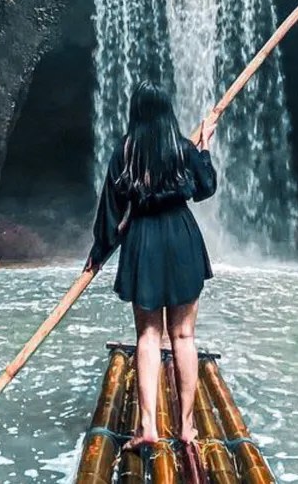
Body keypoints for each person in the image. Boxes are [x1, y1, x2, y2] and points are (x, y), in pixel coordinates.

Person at [83, 81, 218, 452]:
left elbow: (110, 208)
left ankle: (147, 428)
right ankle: (186, 428)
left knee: (147, 337)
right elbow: (206, 187)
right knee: (184, 336)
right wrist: (204, 148)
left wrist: (100, 248)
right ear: (167, 109)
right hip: (181, 237)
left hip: (143, 240)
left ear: (136, 110)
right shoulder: (182, 148)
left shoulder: (125, 151)